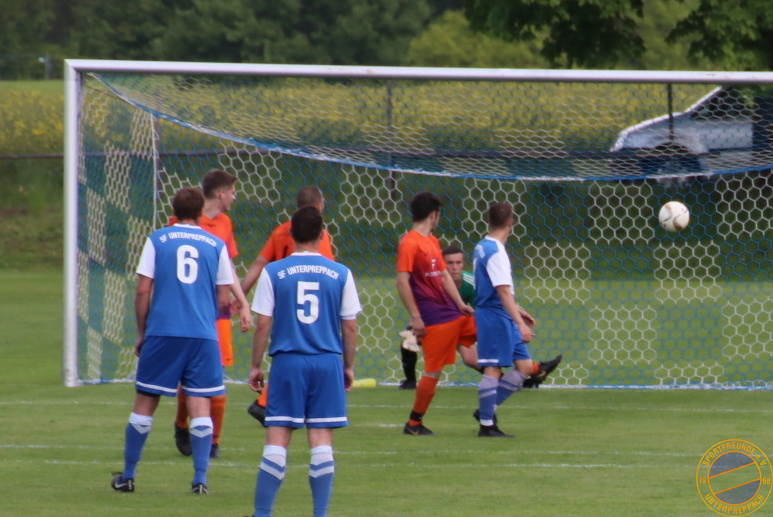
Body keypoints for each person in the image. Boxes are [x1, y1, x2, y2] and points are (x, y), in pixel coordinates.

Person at [111, 187, 234, 494]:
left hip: (163, 331)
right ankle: (200, 479)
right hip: (202, 335)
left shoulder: (157, 239)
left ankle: (128, 476)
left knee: (145, 402)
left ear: (175, 211)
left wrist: (143, 332)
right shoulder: (216, 244)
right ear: (200, 212)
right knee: (200, 404)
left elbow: (143, 290)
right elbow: (223, 298)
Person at [246, 205, 361, 517]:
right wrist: (348, 367)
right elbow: (350, 326)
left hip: (288, 363)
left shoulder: (274, 272)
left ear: (291, 234)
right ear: (323, 234)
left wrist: (255, 366)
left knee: (277, 441)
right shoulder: (341, 273)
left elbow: (262, 324)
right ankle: (319, 513)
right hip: (327, 362)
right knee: (321, 441)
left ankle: (262, 513)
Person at [398, 245, 561, 391]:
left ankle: (530, 372)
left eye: (458, 263)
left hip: (467, 323)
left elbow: (497, 298)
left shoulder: (471, 282)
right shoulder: (433, 282)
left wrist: (517, 316)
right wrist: (416, 321)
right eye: (450, 263)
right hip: (442, 322)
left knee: (474, 356)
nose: (454, 267)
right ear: (441, 263)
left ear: (463, 263)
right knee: (409, 338)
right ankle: (410, 381)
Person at [171, 169, 252, 459]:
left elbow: (227, 267)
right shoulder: (182, 222)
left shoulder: (225, 224)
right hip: (188, 312)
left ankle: (213, 441)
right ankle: (182, 425)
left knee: (216, 380)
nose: (234, 197)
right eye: (232, 192)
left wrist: (241, 301)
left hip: (218, 314)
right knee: (188, 378)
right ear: (221, 193)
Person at [241, 186, 334, 426]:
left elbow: (259, 263)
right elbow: (326, 271)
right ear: (320, 207)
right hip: (308, 303)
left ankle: (266, 403)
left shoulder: (281, 231)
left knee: (286, 353)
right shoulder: (321, 237)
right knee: (308, 353)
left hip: (281, 299)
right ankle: (272, 405)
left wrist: (241, 295)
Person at [396, 192, 476, 436]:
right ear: (433, 215)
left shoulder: (432, 240)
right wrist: (416, 317)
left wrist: (460, 303)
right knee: (433, 371)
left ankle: (528, 370)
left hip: (452, 313)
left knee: (490, 328)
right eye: (438, 215)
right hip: (434, 319)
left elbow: (443, 276)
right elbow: (402, 282)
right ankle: (414, 424)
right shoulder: (409, 243)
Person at [474, 201, 536, 438]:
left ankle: (486, 410)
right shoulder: (496, 252)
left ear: (489, 221)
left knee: (525, 367)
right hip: (494, 316)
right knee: (493, 368)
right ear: (511, 223)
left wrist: (518, 311)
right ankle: (487, 425)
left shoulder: (482, 246)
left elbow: (498, 289)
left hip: (501, 313)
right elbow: (501, 291)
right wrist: (520, 323)